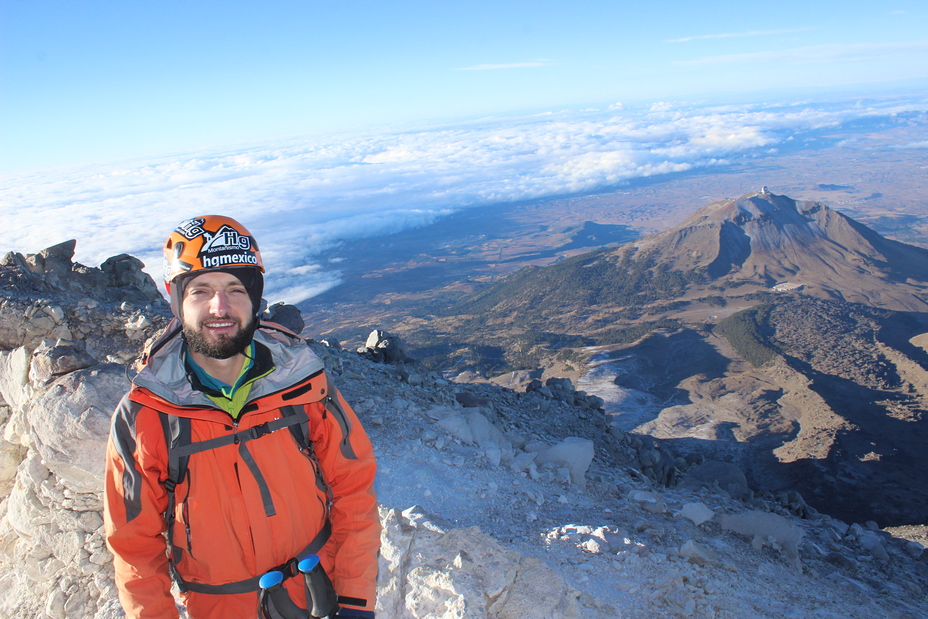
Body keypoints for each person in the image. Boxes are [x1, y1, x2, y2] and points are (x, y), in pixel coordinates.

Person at [104, 215, 379, 619]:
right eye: (201, 290)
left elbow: (354, 487)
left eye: (235, 288)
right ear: (176, 298)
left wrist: (354, 598)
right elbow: (134, 547)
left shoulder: (303, 383)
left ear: (254, 297)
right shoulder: (145, 416)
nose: (220, 307)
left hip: (321, 596)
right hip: (220, 608)